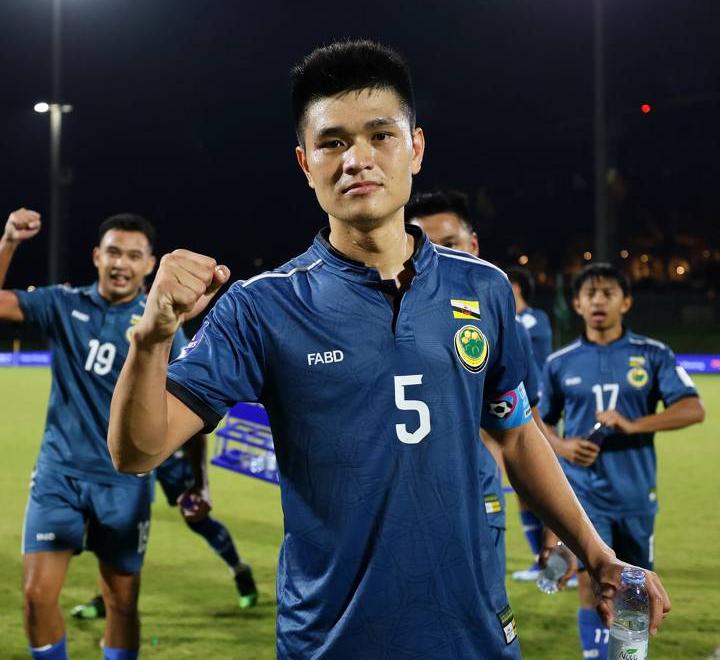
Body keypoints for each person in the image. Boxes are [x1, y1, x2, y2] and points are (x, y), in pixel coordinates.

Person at [107, 40, 671, 659]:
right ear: (305, 162)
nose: (357, 160)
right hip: (333, 641)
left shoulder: (482, 288)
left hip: (475, 637)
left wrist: (597, 555)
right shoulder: (261, 306)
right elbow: (138, 451)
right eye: (332, 143)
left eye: (380, 136)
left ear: (416, 149)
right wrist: (152, 338)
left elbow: (514, 433)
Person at [0, 209, 188, 660]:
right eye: (113, 252)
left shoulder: (162, 325)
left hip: (124, 482)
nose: (122, 263)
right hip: (58, 475)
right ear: (97, 257)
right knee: (35, 596)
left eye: (134, 255)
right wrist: (8, 242)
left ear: (149, 264)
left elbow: (183, 407)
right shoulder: (64, 304)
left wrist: (192, 479)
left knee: (122, 603)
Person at [539, 262, 704, 660]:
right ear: (577, 304)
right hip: (582, 494)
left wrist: (633, 424)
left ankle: (627, 656)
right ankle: (597, 656)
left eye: (608, 293)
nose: (599, 301)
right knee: (591, 582)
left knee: (634, 589)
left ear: (625, 302)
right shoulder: (559, 362)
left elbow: (692, 408)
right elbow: (537, 422)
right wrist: (562, 447)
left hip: (634, 493)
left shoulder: (652, 354)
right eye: (590, 295)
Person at [406, 188, 543, 578]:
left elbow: (522, 430)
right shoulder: (381, 320)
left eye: (451, 244)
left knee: (483, 618)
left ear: (474, 244)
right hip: (397, 508)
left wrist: (551, 520)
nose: (439, 257)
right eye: (425, 246)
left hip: (479, 496)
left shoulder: (498, 321)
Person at [71, 432, 257, 620]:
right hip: (134, 448)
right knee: (122, 521)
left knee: (196, 517)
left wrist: (201, 479)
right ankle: (109, 598)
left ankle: (239, 569)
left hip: (171, 449)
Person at [506, 265, 554, 582]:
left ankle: (560, 558)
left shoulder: (533, 320)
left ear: (517, 287)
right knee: (523, 489)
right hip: (513, 409)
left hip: (539, 407)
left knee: (545, 485)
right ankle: (540, 562)